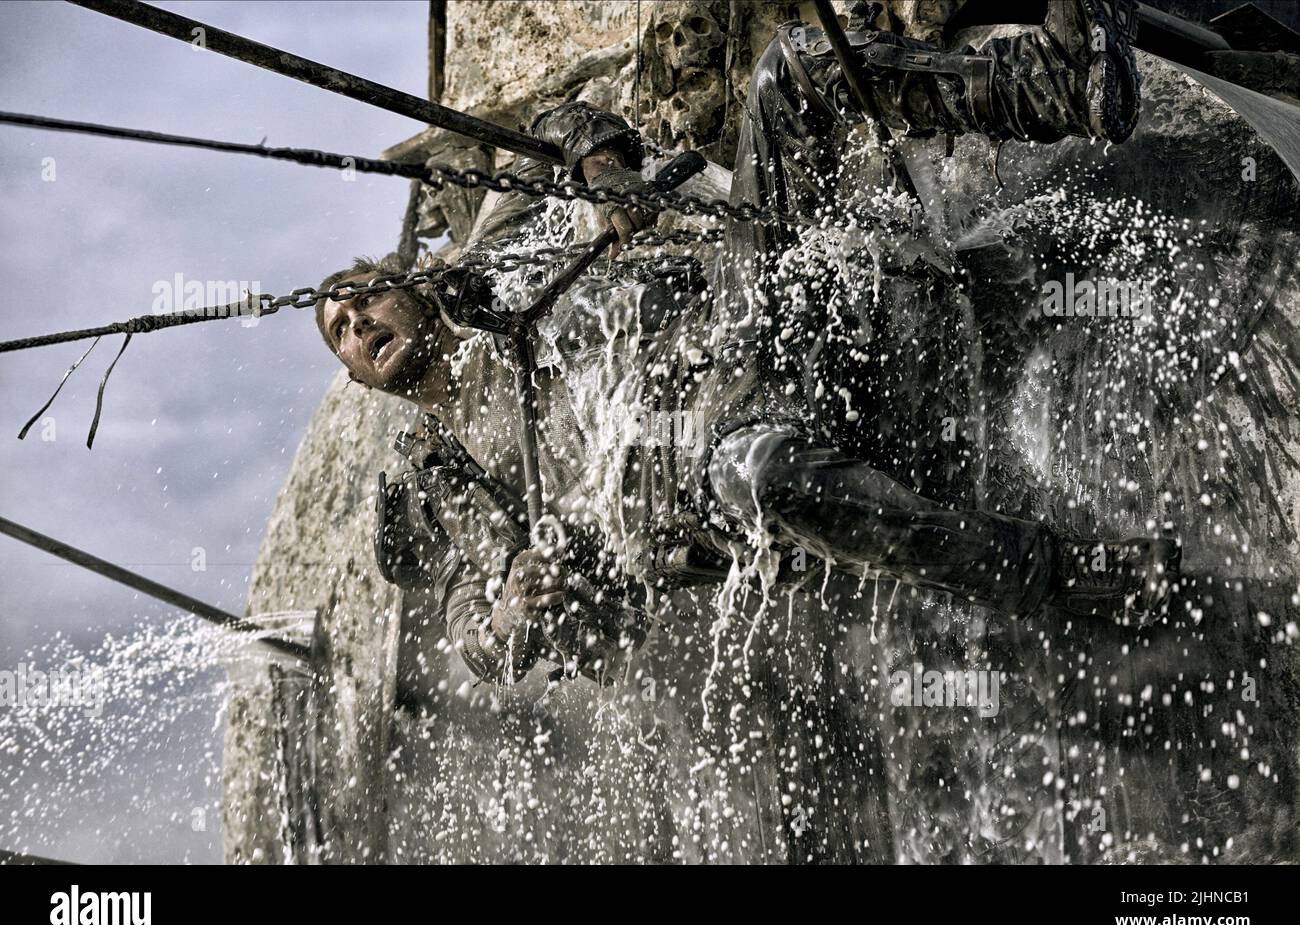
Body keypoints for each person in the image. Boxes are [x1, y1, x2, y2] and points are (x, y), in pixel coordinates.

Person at [319, 0, 1178, 685]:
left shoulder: (489, 264)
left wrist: (604, 171)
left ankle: (1055, 85)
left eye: (362, 298)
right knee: (759, 472)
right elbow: (475, 629)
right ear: (358, 376)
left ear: (410, 286)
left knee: (790, 73)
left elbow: (556, 125)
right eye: (341, 334)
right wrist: (509, 616)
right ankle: (1063, 577)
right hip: (694, 480)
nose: (357, 323)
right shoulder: (441, 471)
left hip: (740, 326)